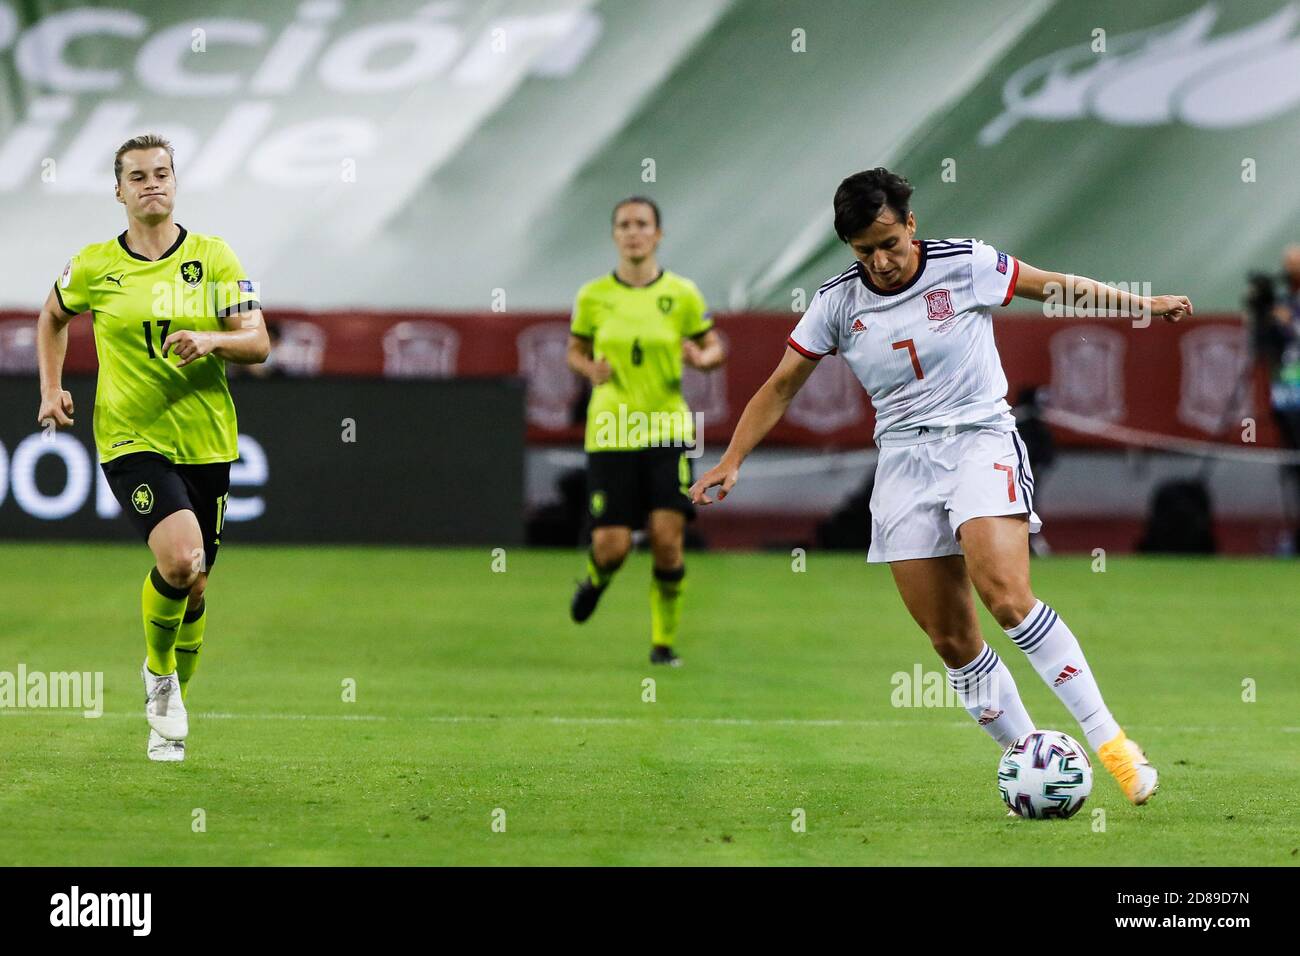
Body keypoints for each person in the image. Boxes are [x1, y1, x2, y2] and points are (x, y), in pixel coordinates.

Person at [691, 168, 1192, 807]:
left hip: (978, 438)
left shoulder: (966, 265)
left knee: (1007, 596)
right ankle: (1033, 759)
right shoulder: (837, 302)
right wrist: (732, 459)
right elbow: (783, 383)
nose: (880, 262)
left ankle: (1113, 747)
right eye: (864, 251)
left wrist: (1143, 306)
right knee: (952, 641)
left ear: (910, 224)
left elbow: (1055, 289)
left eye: (888, 243)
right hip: (902, 461)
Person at [34, 133, 270, 761]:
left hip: (207, 440)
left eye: (161, 173)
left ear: (175, 181)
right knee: (179, 558)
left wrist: (213, 341)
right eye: (137, 177)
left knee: (195, 583)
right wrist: (52, 388)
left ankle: (170, 690)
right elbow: (52, 317)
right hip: (130, 438)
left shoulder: (214, 258)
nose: (151, 184)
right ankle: (160, 678)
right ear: (119, 191)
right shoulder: (92, 267)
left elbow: (259, 341)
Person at [566, 197, 725, 665]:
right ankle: (596, 580)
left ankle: (662, 645)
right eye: (624, 225)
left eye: (642, 224)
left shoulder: (682, 294)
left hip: (667, 429)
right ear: (614, 235)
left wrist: (704, 358)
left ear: (658, 235)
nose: (633, 232)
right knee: (612, 547)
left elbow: (712, 347)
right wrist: (587, 368)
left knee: (666, 539)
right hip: (612, 430)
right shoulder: (593, 296)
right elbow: (574, 350)